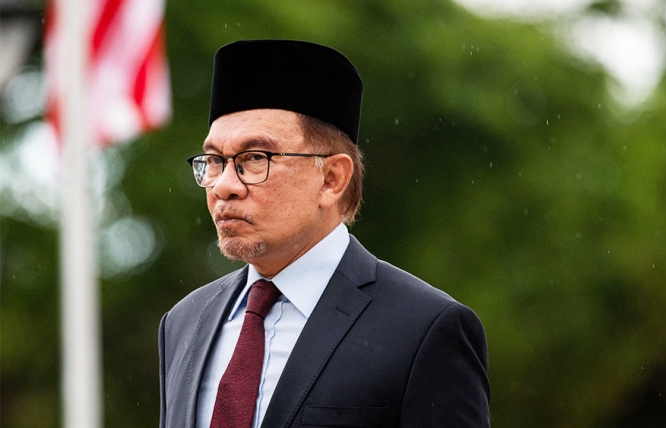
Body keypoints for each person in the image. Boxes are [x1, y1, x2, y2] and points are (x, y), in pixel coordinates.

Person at [158, 39, 490, 428]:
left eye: (255, 158)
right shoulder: (184, 322)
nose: (224, 185)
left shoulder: (423, 329)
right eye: (215, 160)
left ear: (332, 179)